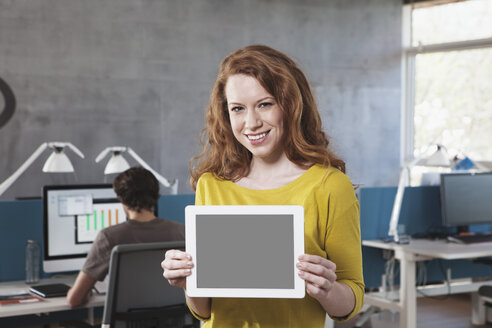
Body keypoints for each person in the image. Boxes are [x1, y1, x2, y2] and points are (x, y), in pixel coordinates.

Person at [161, 45, 364, 327]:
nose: (251, 123)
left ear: (291, 105)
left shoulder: (329, 186)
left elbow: (351, 300)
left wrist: (328, 290)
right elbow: (204, 311)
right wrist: (188, 281)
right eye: (238, 109)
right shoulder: (212, 185)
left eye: (265, 104)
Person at [67, 166, 185, 308]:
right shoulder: (181, 231)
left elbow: (74, 300)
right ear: (155, 195)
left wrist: (86, 293)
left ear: (122, 199)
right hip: (175, 321)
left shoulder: (109, 237)